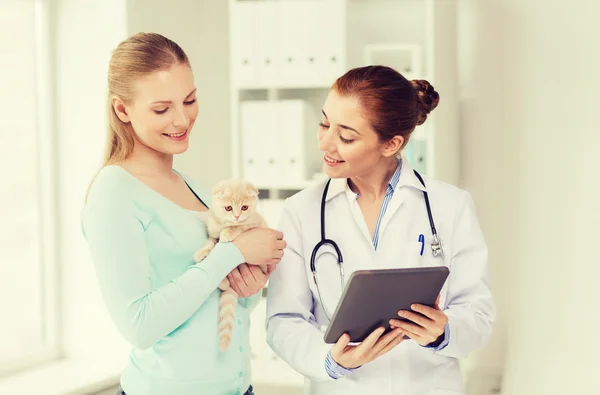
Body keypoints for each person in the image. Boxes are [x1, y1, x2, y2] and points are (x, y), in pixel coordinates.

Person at [265, 65, 495, 395]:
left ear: (391, 144)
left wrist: (443, 332)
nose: (325, 144)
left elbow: (478, 313)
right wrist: (331, 361)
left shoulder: (450, 206)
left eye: (345, 136)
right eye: (324, 123)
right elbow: (283, 319)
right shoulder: (301, 211)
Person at [81, 32, 285, 395]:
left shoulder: (199, 189)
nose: (181, 120)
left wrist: (250, 286)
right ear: (122, 109)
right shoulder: (114, 191)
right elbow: (139, 326)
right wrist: (234, 252)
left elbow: (217, 303)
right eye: (161, 109)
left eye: (189, 100)